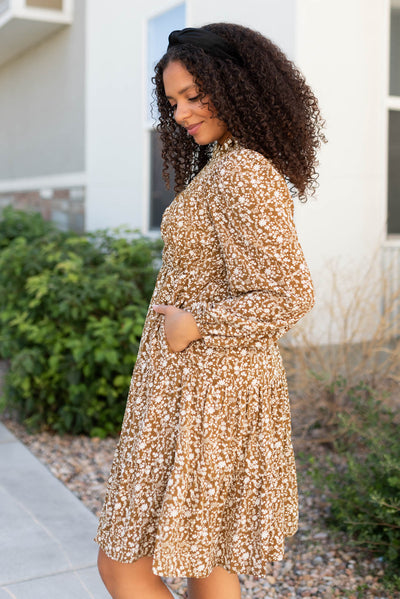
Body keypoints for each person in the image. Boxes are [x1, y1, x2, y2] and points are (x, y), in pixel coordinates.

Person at [96, 23, 325, 599]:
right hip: (194, 384)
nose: (180, 114)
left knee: (122, 564)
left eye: (193, 96)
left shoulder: (242, 170)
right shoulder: (221, 165)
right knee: (209, 558)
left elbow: (289, 291)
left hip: (207, 391)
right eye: (173, 102)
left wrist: (194, 323)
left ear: (237, 84)